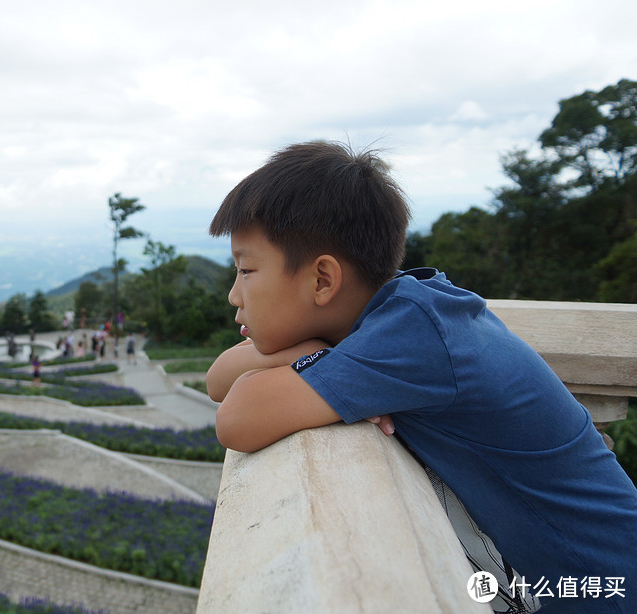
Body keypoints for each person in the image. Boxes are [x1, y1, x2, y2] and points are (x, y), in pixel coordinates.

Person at [206, 141, 637, 613]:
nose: (233, 294)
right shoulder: (402, 308)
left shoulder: (414, 335)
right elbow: (220, 378)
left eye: (246, 270)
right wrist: (319, 352)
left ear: (323, 280)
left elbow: (237, 418)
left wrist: (316, 359)